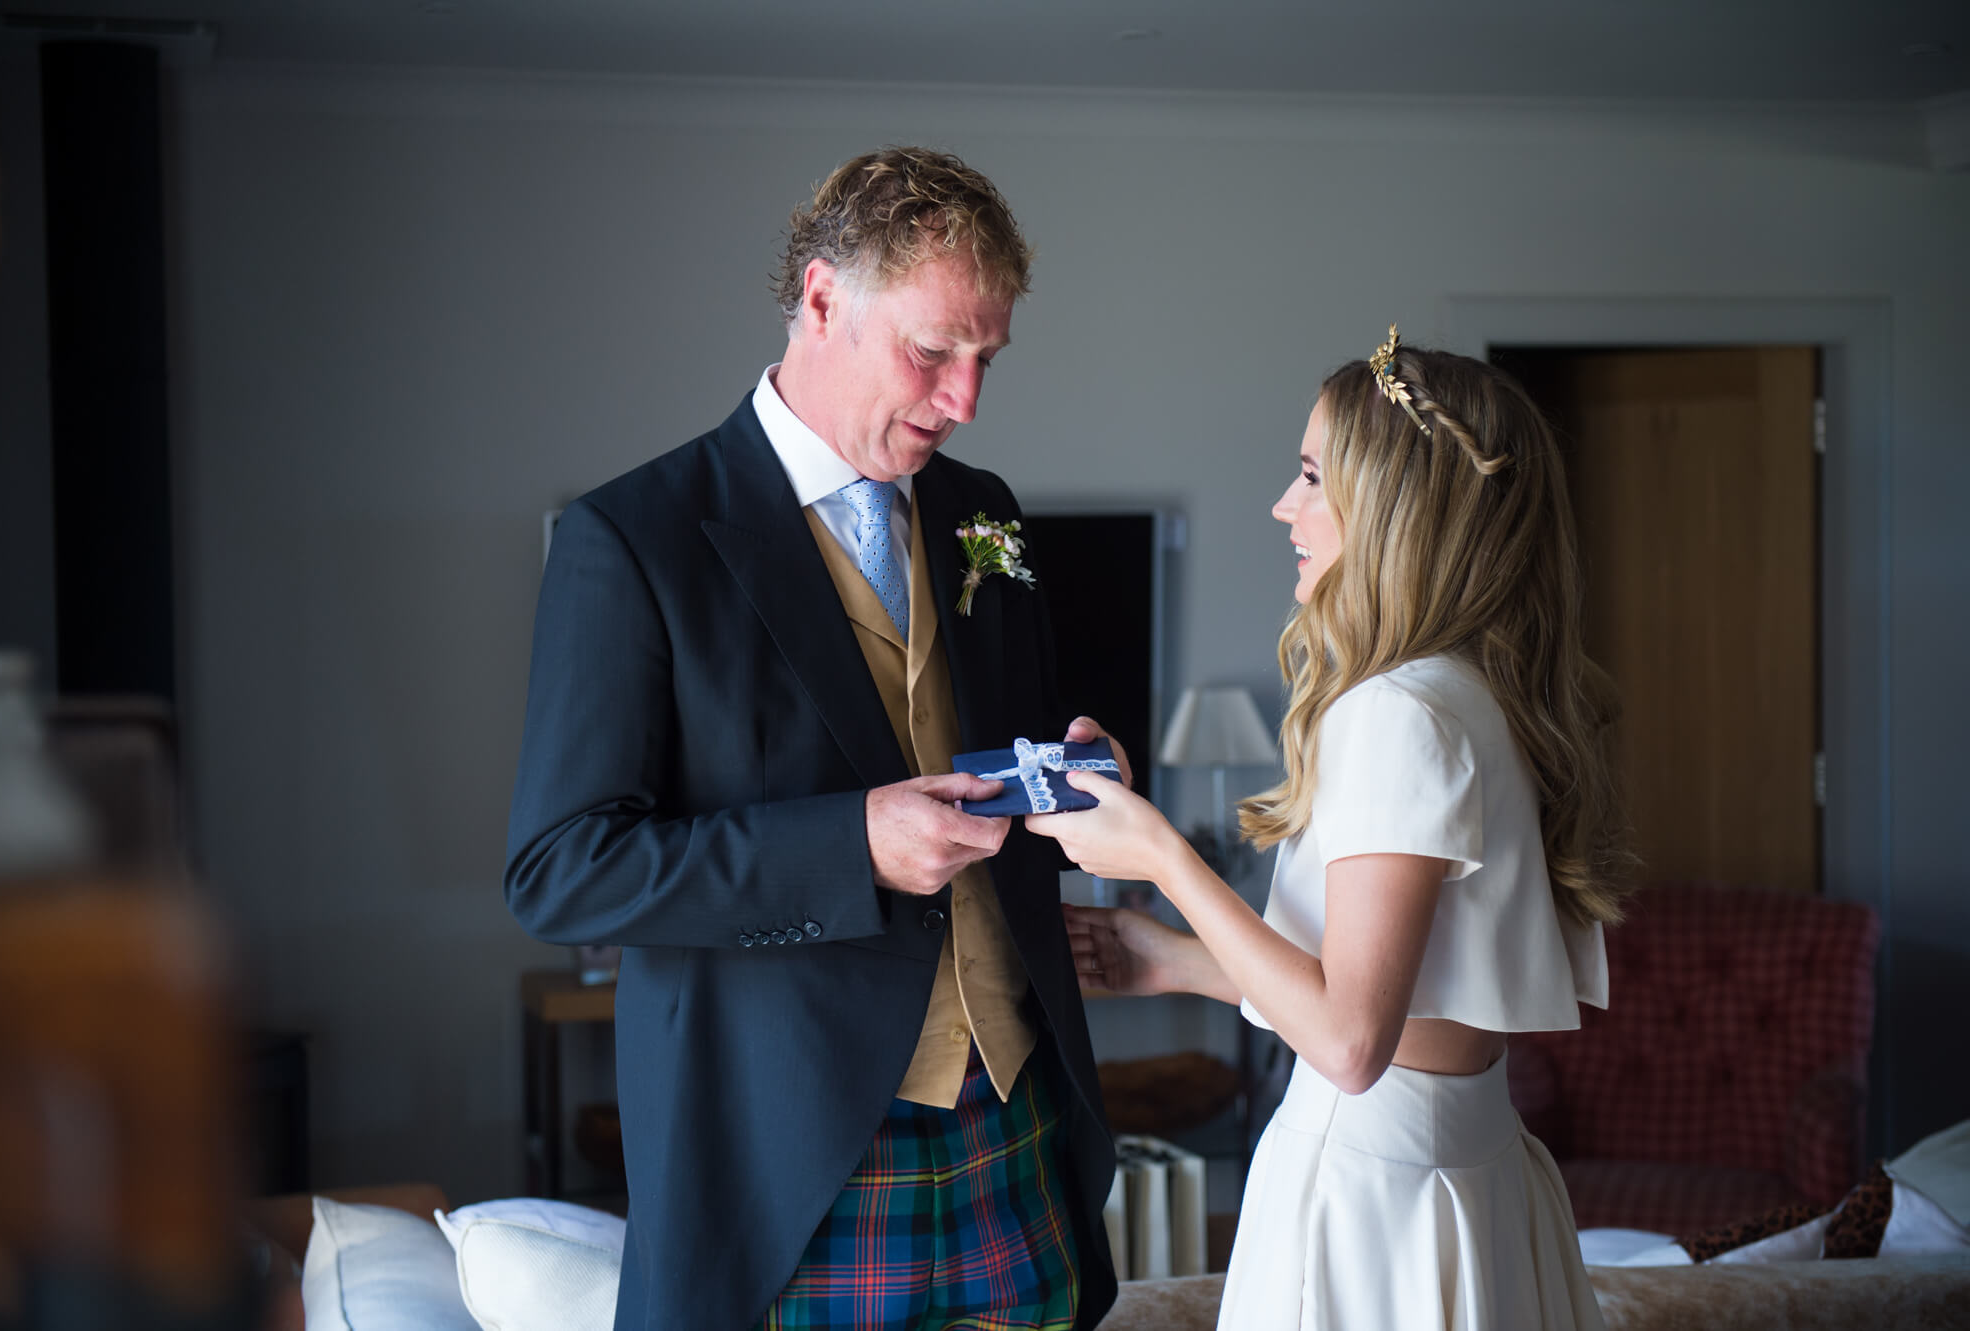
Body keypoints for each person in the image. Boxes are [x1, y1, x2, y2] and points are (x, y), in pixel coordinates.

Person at [504, 146, 1119, 1331]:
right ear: (824, 298)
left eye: (985, 359)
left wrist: (1080, 773)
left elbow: (990, 756)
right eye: (933, 352)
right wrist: (849, 845)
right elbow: (561, 870)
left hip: (1017, 1121)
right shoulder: (632, 540)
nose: (964, 400)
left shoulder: (981, 511)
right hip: (796, 1163)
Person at [1031, 330, 1634, 1330]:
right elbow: (1395, 993)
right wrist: (1170, 962)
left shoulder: (1395, 711)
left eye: (1311, 475)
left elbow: (1352, 1043)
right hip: (1474, 1173)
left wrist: (1158, 857)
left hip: (1371, 1189)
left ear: (1394, 505)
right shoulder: (1485, 695)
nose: (1283, 504)